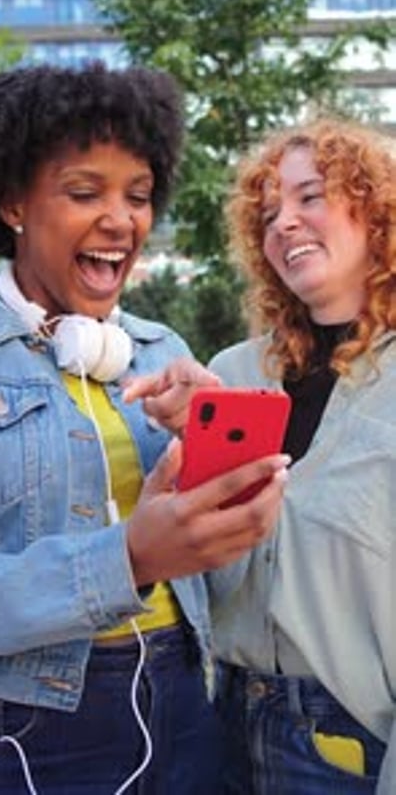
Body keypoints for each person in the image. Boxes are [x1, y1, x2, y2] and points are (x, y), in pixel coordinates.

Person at [0, 62, 289, 795]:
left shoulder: (164, 352)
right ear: (12, 200)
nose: (121, 220)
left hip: (178, 705)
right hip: (7, 733)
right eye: (85, 192)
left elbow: (221, 577)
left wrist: (228, 478)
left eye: (138, 196)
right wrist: (125, 559)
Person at [124, 116, 395, 794]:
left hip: (354, 744)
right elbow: (201, 575)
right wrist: (185, 445)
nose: (285, 223)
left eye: (310, 197)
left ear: (377, 210)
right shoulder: (231, 373)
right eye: (270, 212)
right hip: (220, 723)